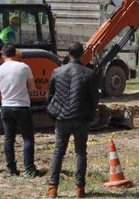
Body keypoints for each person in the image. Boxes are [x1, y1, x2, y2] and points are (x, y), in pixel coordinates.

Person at [45, 42, 100, 199]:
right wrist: (90, 113)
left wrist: (54, 110)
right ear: (82, 54)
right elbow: (94, 98)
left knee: (58, 152)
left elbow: (49, 95)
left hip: (61, 119)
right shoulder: (88, 73)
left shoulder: (57, 72)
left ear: (68, 54)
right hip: (81, 118)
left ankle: (52, 188)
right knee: (80, 153)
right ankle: (79, 189)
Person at [0, 44, 39, 177]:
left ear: (3, 55)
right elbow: (31, 87)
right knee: (28, 138)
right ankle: (29, 168)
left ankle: (11, 168)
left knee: (9, 139)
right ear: (16, 54)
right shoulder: (23, 67)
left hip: (6, 106)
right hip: (22, 106)